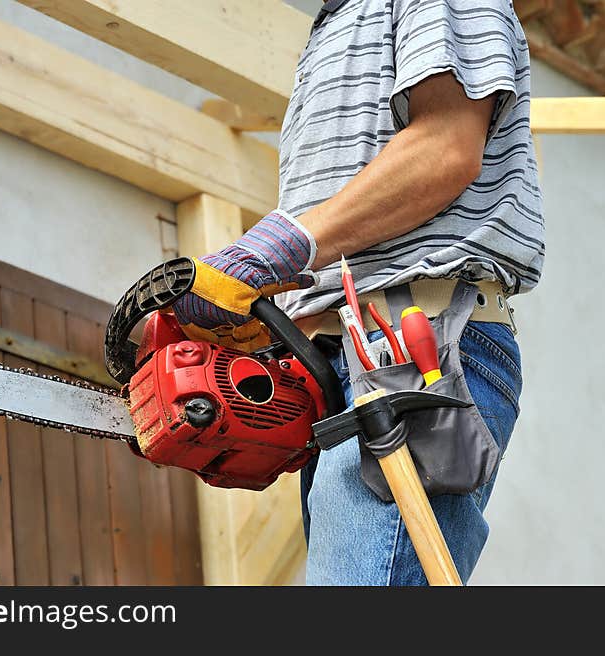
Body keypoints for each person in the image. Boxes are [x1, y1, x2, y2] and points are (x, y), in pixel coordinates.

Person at [172, 0, 543, 585]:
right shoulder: (333, 27)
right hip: (345, 357)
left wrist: (276, 249)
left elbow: (445, 146)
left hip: (414, 342)